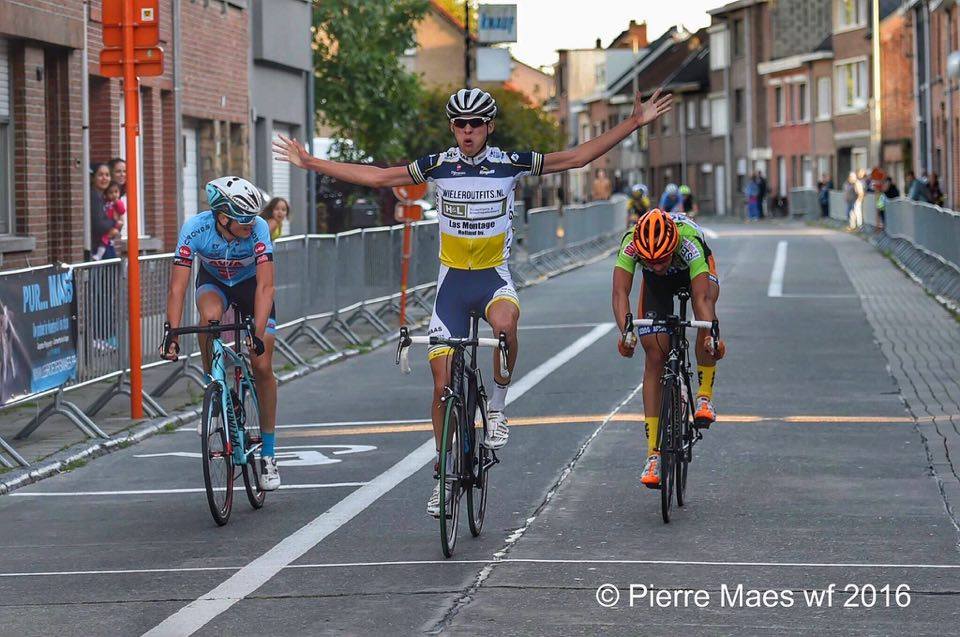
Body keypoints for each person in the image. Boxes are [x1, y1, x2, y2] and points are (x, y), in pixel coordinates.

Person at [273, 86, 673, 517]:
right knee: (442, 387)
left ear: (489, 127)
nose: (468, 131)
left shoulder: (508, 163)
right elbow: (379, 176)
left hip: (492, 280)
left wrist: (633, 122)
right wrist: (311, 162)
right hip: (451, 286)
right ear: (453, 128)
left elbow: (573, 158)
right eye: (460, 124)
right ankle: (444, 477)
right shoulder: (438, 166)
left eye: (476, 124)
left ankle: (498, 409)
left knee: (505, 328)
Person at [160, 176, 282, 491]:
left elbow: (266, 286)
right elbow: (178, 286)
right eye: (244, 219)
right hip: (214, 283)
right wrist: (170, 332)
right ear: (222, 217)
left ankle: (268, 454)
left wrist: (256, 334)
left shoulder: (259, 230)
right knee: (209, 318)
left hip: (251, 286)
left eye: (254, 218)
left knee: (262, 364)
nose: (250, 224)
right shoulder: (195, 229)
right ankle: (213, 388)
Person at [612, 209, 725, 488]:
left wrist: (711, 333)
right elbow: (619, 293)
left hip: (694, 274)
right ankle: (653, 454)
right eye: (649, 261)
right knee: (654, 356)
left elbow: (700, 300)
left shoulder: (689, 242)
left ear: (672, 245)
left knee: (703, 319)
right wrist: (626, 333)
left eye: (661, 260)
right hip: (657, 289)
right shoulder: (631, 243)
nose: (657, 265)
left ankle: (704, 398)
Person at [93, 181, 126, 260]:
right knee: (105, 240)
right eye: (111, 192)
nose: (114, 194)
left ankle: (99, 254)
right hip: (107, 225)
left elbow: (122, 211)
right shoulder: (106, 202)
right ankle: (100, 253)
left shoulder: (118, 202)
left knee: (105, 239)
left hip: (113, 225)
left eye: (116, 192)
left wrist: (117, 203)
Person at [89, 163, 114, 260]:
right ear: (93, 177)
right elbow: (99, 225)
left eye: (107, 175)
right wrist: (114, 222)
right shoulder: (94, 197)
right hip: (96, 248)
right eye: (100, 175)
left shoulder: (104, 197)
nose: (104, 178)